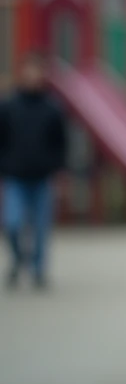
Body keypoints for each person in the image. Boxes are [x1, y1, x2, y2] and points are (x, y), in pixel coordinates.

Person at [0, 54, 68, 291]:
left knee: (40, 228)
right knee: (12, 223)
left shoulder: (52, 108)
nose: (32, 76)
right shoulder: (8, 106)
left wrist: (59, 172)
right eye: (29, 71)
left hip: (42, 177)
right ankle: (18, 259)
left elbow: (61, 144)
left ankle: (39, 270)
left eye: (37, 72)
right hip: (15, 176)